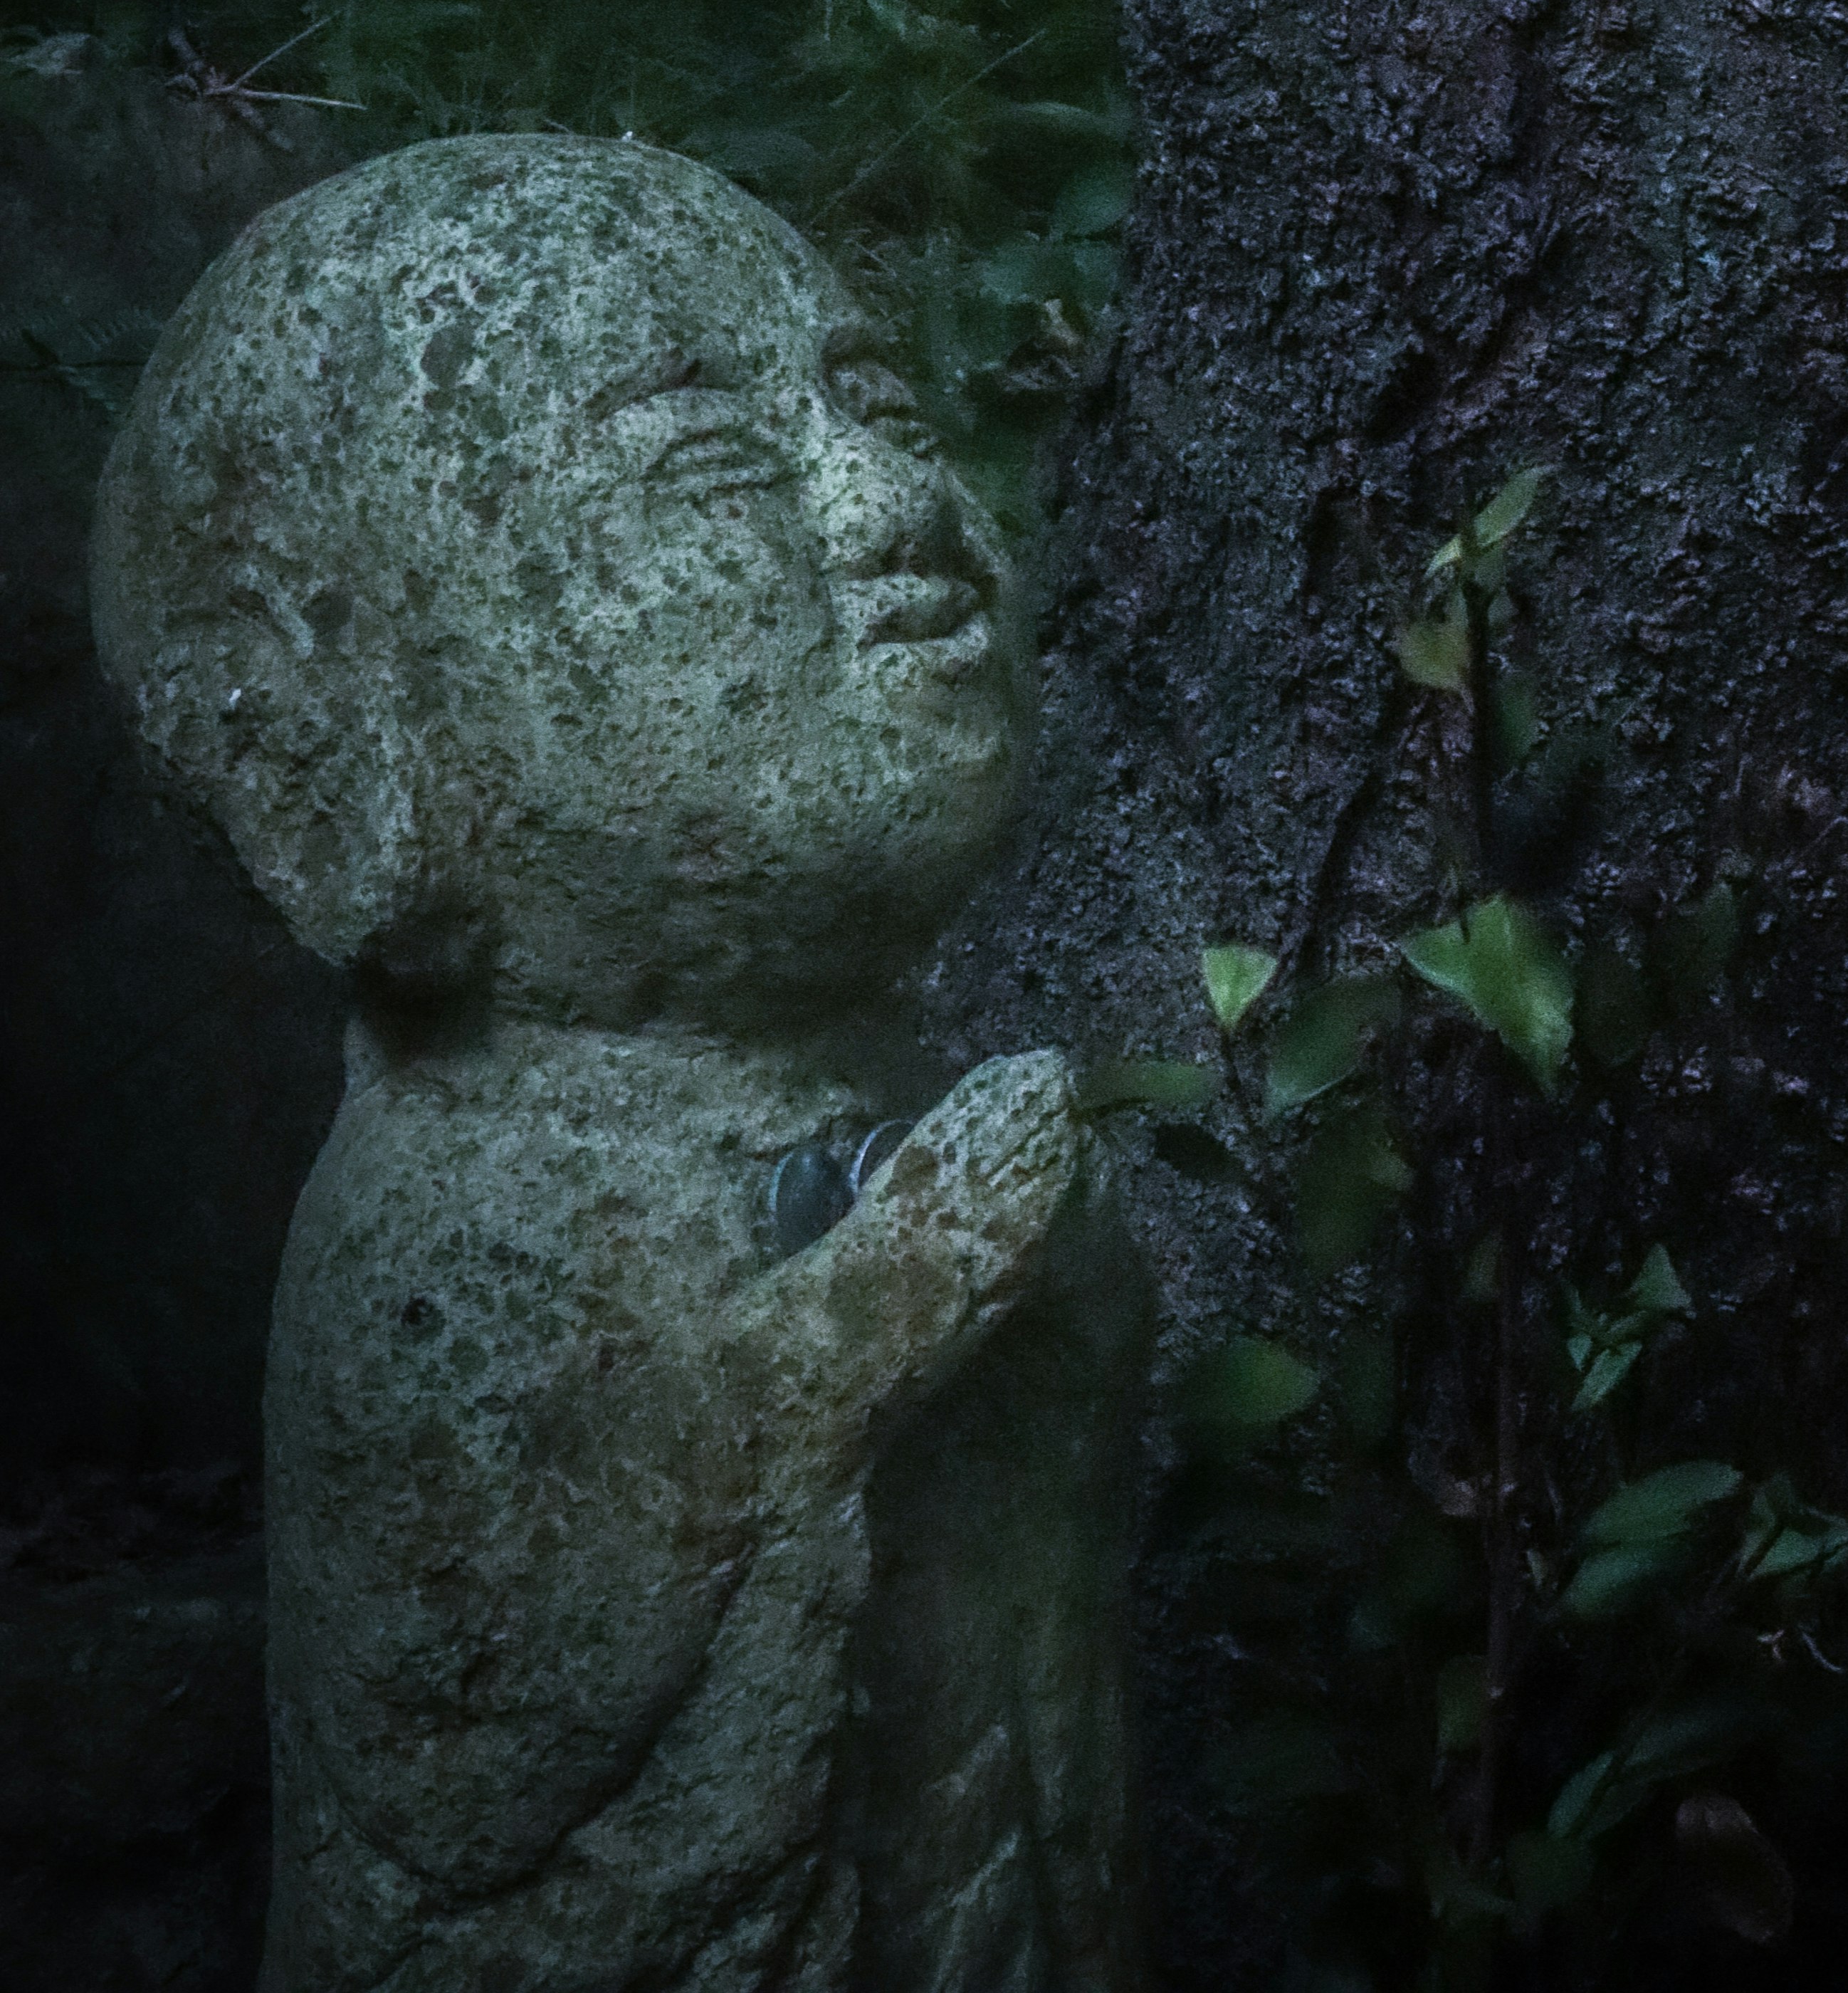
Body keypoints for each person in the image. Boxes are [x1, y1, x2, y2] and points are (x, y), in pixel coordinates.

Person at [93, 135, 1141, 1993]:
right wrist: (872, 1320)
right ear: (356, 721)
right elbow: (478, 1707)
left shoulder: (863, 1074)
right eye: (714, 467)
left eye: (877, 402)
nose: (890, 492)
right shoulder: (452, 1224)